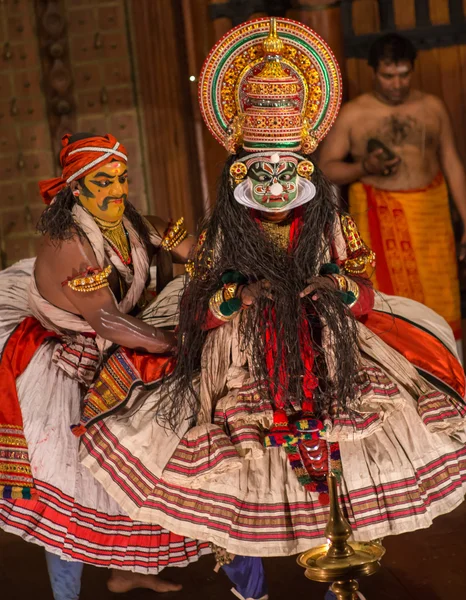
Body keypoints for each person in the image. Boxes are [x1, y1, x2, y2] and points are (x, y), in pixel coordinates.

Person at [77, 19, 466, 600]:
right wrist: (239, 295)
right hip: (241, 359)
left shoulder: (328, 221)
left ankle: (340, 550)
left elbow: (362, 290)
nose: (277, 185)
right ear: (241, 173)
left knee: (347, 446)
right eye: (263, 171)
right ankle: (248, 579)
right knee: (243, 464)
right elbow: (200, 307)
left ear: (304, 170)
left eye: (287, 171)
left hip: (326, 349)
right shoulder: (224, 232)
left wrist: (336, 287)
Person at [0, 132, 210, 599]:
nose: (117, 189)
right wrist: (179, 340)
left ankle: (129, 569)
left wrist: (235, 272)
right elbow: (109, 321)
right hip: (72, 361)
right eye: (103, 181)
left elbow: (196, 255)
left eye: (122, 178)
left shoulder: (136, 223)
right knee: (72, 487)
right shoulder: (68, 245)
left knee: (131, 473)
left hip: (121, 349)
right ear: (76, 188)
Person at [319, 33, 466, 342]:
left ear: (412, 69)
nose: (397, 84)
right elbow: (325, 167)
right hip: (379, 221)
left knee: (442, 297)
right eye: (388, 76)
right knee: (389, 306)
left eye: (403, 75)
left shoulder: (432, 107)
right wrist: (363, 168)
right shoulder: (355, 114)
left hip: (431, 220)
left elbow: (452, 163)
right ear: (374, 71)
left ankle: (449, 374)